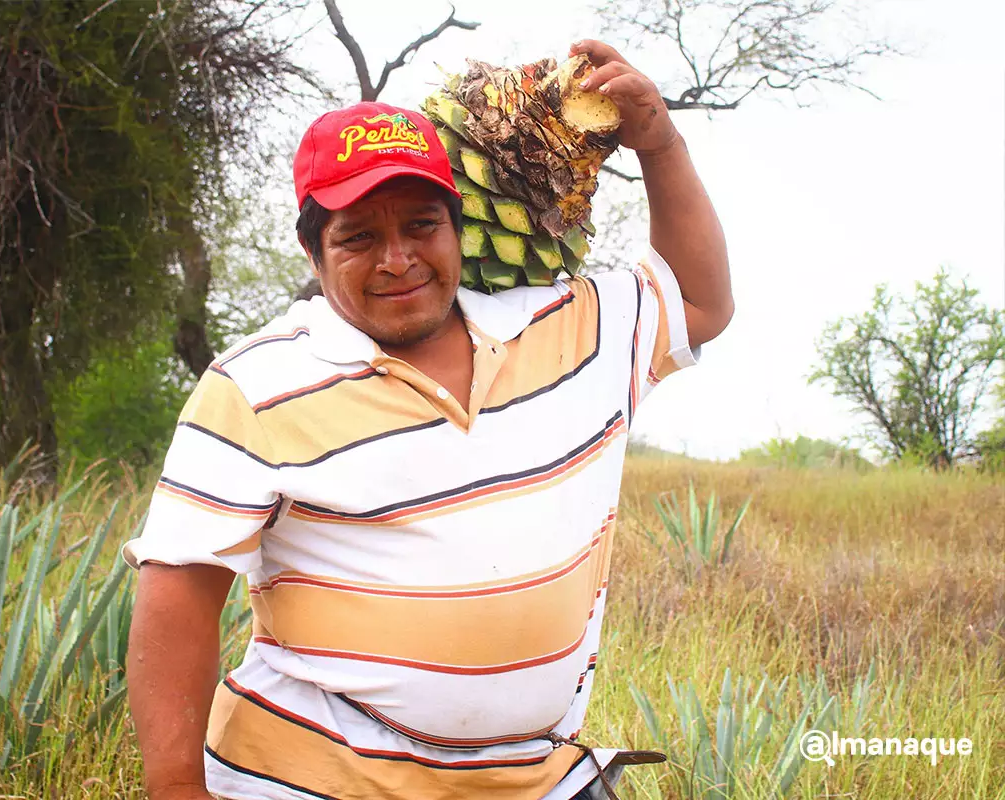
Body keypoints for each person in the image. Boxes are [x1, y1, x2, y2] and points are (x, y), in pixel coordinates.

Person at [124, 39, 734, 800]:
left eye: (420, 226)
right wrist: (178, 791)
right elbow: (178, 594)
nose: (397, 259)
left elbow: (701, 303)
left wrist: (661, 146)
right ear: (314, 252)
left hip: (531, 779)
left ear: (456, 230)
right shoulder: (256, 385)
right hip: (308, 780)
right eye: (359, 237)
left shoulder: (568, 329)